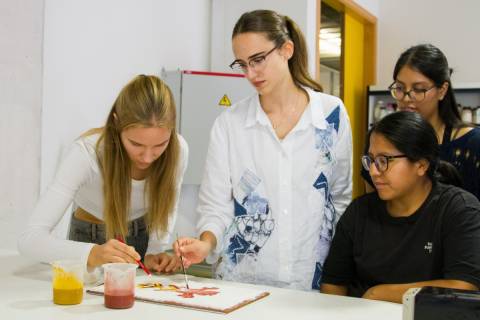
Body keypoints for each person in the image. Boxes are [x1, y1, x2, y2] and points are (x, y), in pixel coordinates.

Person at [174, 9, 352, 291]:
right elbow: (215, 204)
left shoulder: (331, 116)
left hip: (312, 280)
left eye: (258, 60)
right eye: (242, 64)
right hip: (242, 282)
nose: (251, 73)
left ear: (286, 50)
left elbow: (341, 199)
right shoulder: (230, 124)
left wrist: (342, 271)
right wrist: (205, 242)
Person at [18, 75, 188, 274]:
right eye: (136, 144)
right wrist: (91, 254)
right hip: (87, 237)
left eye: (160, 145)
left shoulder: (179, 149)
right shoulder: (87, 153)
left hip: (142, 238)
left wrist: (155, 251)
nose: (148, 157)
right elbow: (29, 239)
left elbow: (167, 205)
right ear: (116, 123)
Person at [322, 111, 480, 303]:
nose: (373, 171)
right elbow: (333, 282)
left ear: (421, 165)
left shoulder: (458, 210)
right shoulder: (359, 212)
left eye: (384, 160)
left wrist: (378, 294)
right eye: (370, 160)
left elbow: (464, 287)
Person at [363, 44, 480, 199]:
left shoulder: (471, 144)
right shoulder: (379, 140)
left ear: (442, 90)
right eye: (399, 88)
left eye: (418, 90)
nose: (406, 98)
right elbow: (372, 206)